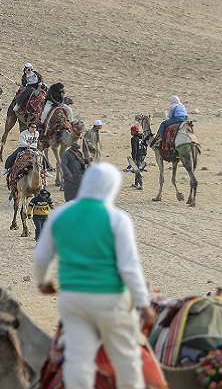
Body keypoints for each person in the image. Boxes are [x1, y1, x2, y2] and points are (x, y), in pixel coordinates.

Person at [34, 164, 155, 389]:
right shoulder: (117, 219)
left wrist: (43, 282)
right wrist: (142, 303)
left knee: (78, 358)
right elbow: (129, 267)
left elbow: (42, 257)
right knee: (126, 356)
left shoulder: (60, 214)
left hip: (73, 298)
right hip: (111, 299)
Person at [128, 125, 148, 190]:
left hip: (138, 155)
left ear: (134, 131)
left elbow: (134, 149)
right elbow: (146, 145)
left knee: (137, 169)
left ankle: (141, 184)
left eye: (131, 131)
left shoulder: (134, 139)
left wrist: (134, 158)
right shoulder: (143, 137)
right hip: (143, 154)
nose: (131, 132)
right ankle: (136, 183)